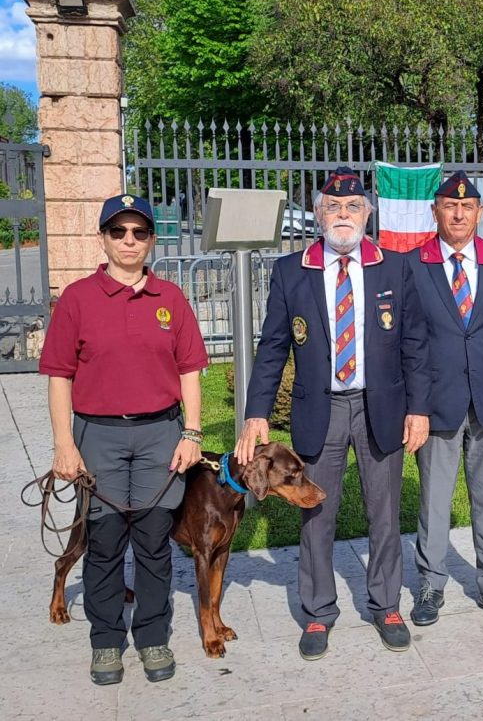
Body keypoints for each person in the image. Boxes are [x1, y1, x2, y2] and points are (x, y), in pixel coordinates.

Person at [238, 167, 431, 656]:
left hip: (379, 407)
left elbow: (414, 345)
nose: (342, 215)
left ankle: (386, 605)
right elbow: (273, 346)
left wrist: (419, 409)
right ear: (318, 214)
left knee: (384, 513)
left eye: (352, 207)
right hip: (318, 410)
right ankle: (319, 612)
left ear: (367, 213)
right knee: (315, 513)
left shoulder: (394, 267)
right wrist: (257, 412)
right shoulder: (291, 271)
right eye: (332, 207)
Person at [39, 194, 208, 685]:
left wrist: (192, 432)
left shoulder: (171, 299)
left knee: (154, 542)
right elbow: (57, 376)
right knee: (106, 542)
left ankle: (153, 636)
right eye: (119, 232)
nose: (129, 241)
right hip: (99, 436)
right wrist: (63, 444)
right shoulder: (77, 299)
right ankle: (106, 642)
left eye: (138, 232)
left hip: (160, 433)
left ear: (152, 240)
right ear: (103, 239)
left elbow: (191, 371)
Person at [407, 170, 483, 628]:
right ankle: (430, 585)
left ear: (479, 212)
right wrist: (413, 404)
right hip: (437, 401)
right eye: (449, 205)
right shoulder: (413, 265)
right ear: (435, 210)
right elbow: (409, 342)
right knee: (434, 500)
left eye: (467, 207)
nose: (458, 214)